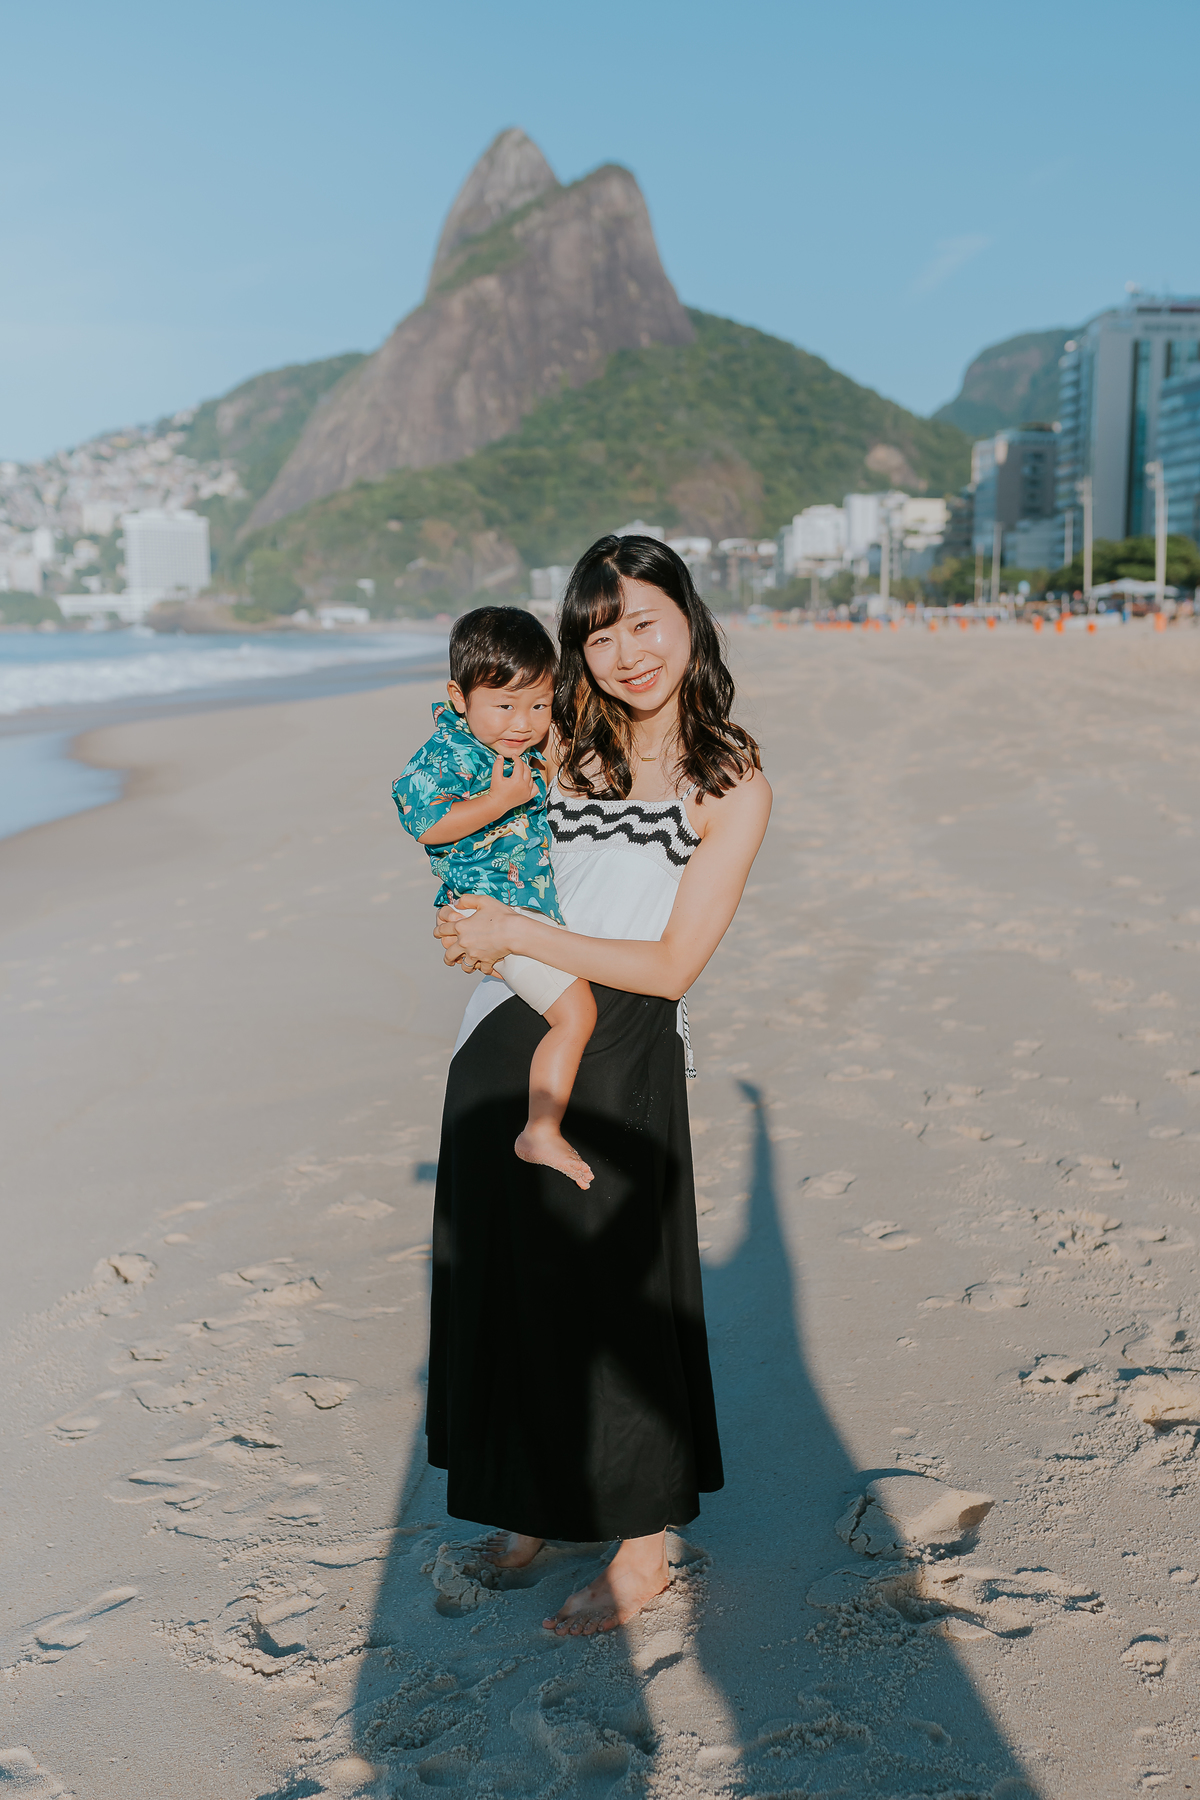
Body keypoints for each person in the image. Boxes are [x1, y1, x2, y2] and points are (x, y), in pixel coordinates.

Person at [430, 535, 772, 1635]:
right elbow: (458, 828)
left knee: (615, 1302)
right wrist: (464, 919)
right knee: (510, 1291)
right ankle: (530, 1502)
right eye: (599, 629)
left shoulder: (731, 785)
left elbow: (672, 965)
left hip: (619, 1048)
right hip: (501, 1032)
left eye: (643, 620)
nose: (625, 650)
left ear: (688, 619)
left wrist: (521, 928)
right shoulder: (561, 743)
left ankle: (640, 1550)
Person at [393, 607, 598, 1188]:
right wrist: (497, 803)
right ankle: (541, 1129)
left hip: (523, 909)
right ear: (459, 697)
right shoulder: (445, 755)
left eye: (538, 704)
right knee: (575, 1014)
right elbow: (424, 822)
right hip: (486, 913)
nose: (523, 722)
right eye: (504, 705)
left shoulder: (515, 745)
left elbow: (554, 767)